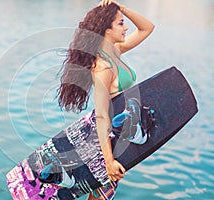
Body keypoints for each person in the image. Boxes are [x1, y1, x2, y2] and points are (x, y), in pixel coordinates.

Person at [57, 0, 154, 199]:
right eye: (120, 23)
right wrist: (108, 161)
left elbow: (147, 28)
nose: (126, 27)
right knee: (101, 197)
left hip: (122, 133)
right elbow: (101, 116)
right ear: (106, 29)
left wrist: (122, 8)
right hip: (107, 142)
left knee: (101, 196)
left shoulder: (115, 51)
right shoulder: (103, 67)